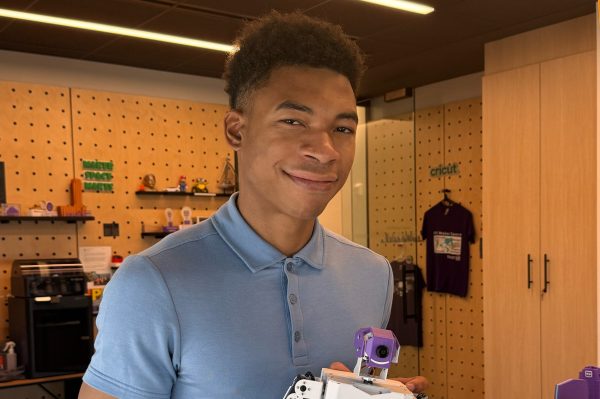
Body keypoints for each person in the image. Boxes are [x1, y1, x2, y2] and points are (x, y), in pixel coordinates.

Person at [79, 11, 428, 399]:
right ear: (236, 130)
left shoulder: (373, 274)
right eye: (294, 121)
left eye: (343, 128)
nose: (326, 150)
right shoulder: (150, 283)